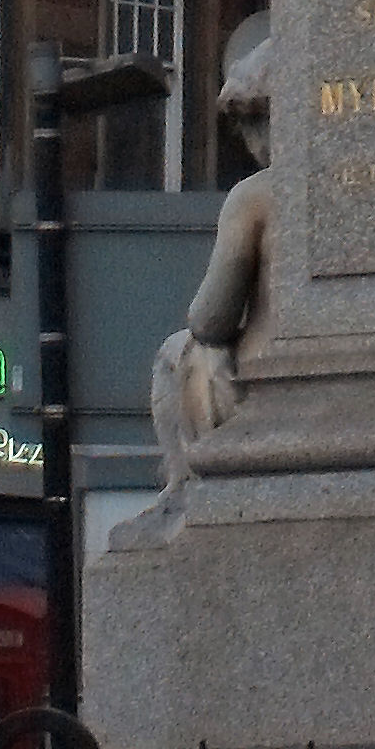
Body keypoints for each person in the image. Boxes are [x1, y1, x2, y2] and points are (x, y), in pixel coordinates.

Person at [120, 40, 271, 540]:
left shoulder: (253, 196)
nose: (252, 141)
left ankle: (183, 486)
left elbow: (210, 319)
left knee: (176, 352)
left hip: (256, 383)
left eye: (256, 121)